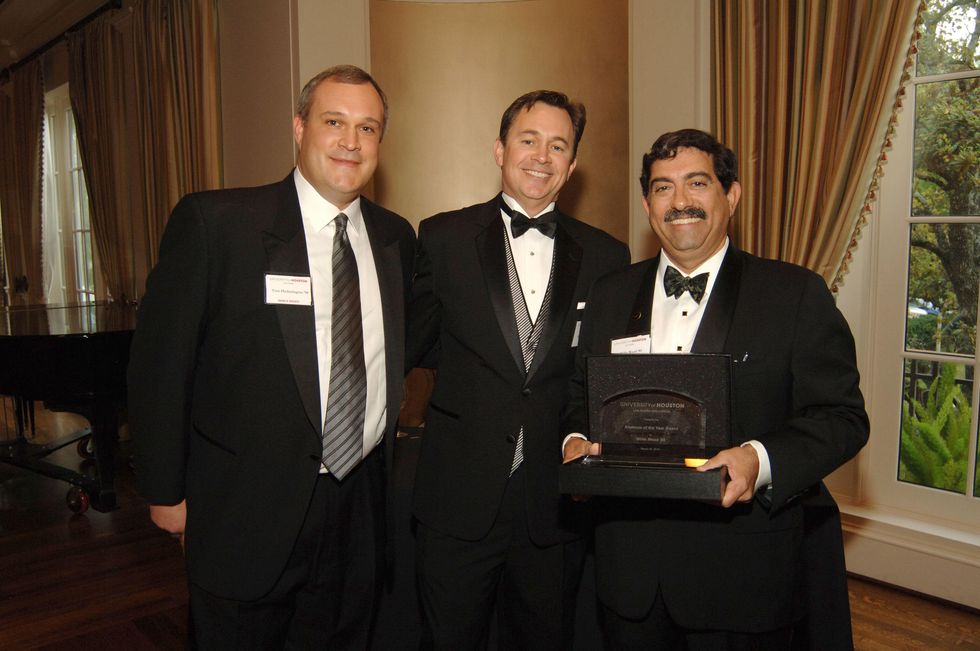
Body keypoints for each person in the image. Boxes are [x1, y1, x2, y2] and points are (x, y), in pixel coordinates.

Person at [127, 65, 416, 649]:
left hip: (359, 504)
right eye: (334, 122)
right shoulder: (219, 224)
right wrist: (164, 491)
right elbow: (161, 365)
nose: (350, 142)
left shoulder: (395, 238)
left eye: (368, 128)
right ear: (299, 126)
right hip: (245, 507)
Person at [562, 128, 868, 649]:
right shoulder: (609, 294)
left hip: (742, 578)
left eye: (697, 183)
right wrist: (573, 439)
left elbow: (841, 419)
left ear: (731, 195)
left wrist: (758, 458)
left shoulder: (794, 294)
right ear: (646, 203)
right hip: (630, 576)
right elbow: (578, 395)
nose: (680, 201)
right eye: (662, 188)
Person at [406, 90, 629, 650]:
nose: (541, 156)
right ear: (500, 150)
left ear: (573, 166)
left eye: (559, 146)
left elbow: (601, 375)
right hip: (457, 496)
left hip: (553, 502)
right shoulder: (441, 237)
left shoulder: (607, 256)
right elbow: (412, 346)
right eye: (528, 140)